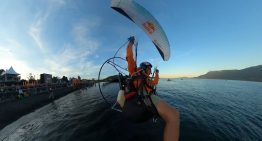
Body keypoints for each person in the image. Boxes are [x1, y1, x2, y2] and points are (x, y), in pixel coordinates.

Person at [118, 36, 180, 141]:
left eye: (150, 70)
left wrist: (157, 74)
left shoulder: (148, 80)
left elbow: (155, 82)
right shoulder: (134, 71)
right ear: (143, 68)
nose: (149, 71)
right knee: (174, 115)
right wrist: (131, 43)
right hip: (143, 102)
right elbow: (129, 56)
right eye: (148, 69)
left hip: (134, 110)